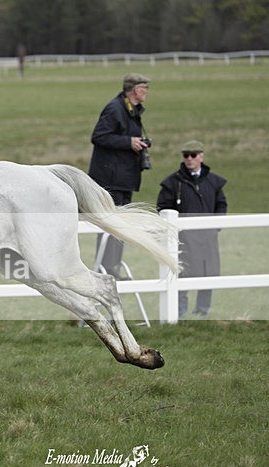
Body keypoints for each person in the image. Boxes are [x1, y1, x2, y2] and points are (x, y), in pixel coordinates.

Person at [88, 73, 152, 279]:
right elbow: (98, 136)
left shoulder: (132, 110)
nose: (146, 92)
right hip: (111, 180)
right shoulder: (115, 108)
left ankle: (113, 267)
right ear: (133, 90)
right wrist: (128, 142)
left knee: (121, 224)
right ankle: (107, 268)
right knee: (111, 224)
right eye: (144, 88)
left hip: (123, 178)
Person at [157, 140, 228, 316]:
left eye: (193, 155)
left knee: (207, 275)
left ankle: (202, 312)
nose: (189, 159)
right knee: (183, 274)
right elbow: (162, 208)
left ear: (201, 157)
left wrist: (215, 227)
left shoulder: (214, 182)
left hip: (207, 240)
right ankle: (179, 313)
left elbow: (221, 204)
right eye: (186, 155)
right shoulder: (173, 183)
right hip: (184, 241)